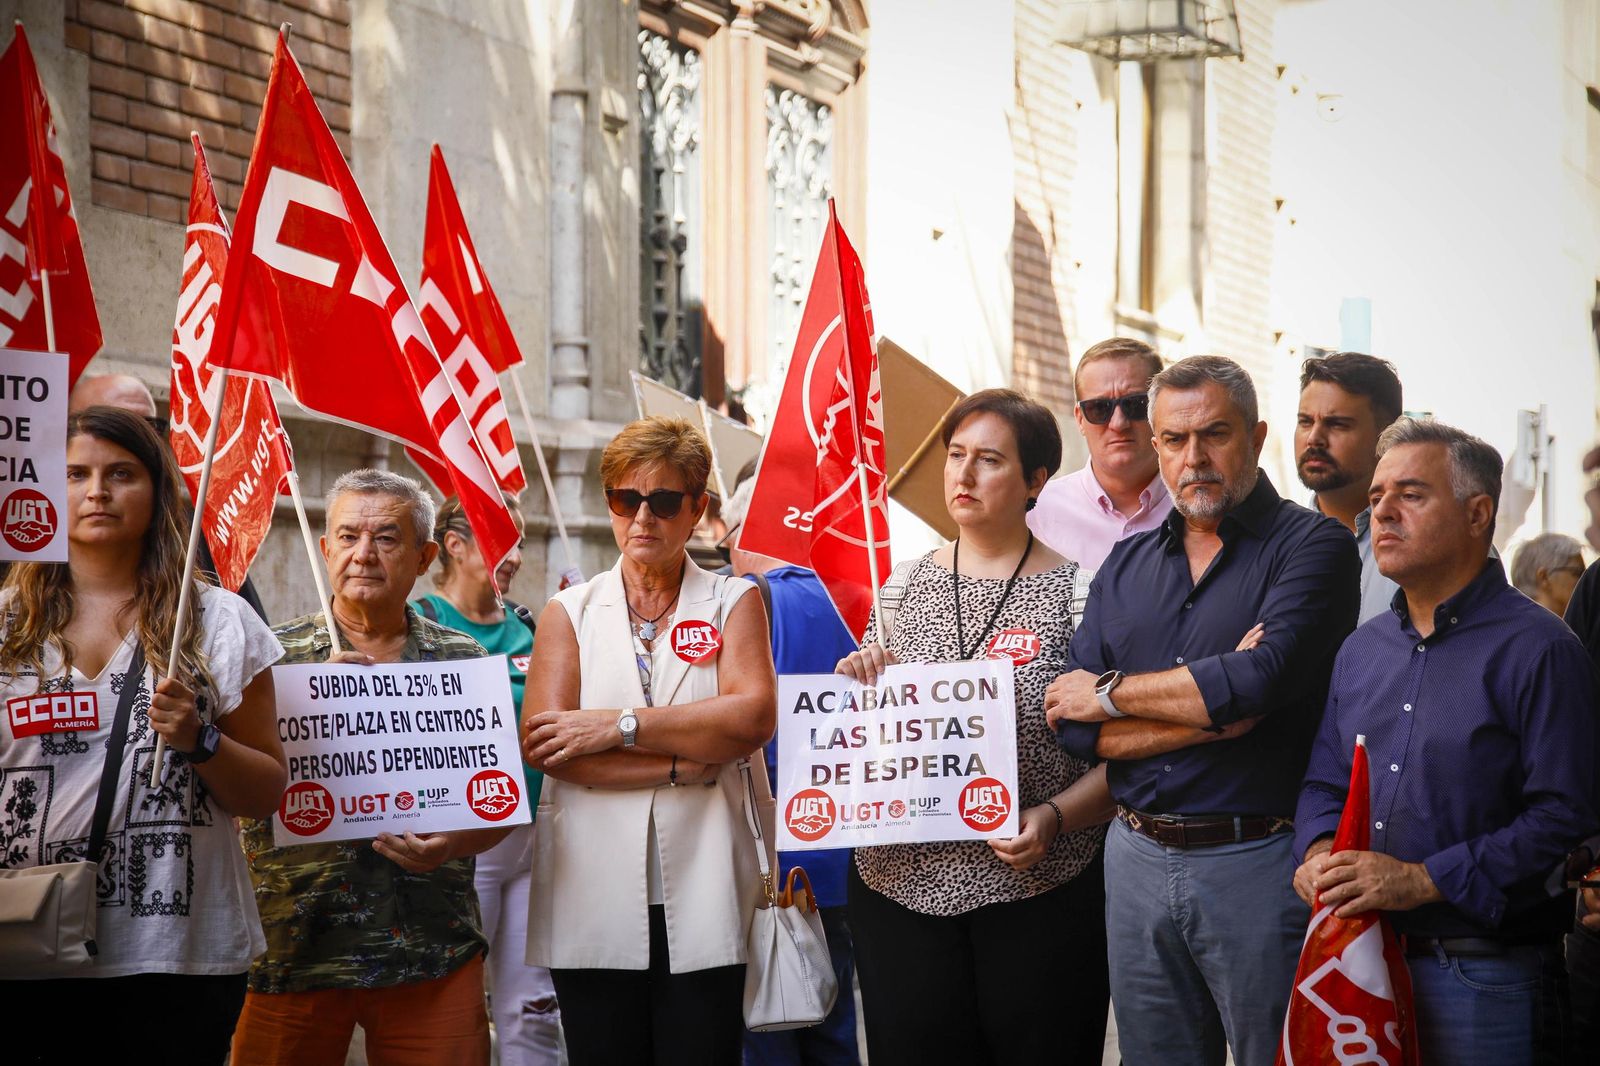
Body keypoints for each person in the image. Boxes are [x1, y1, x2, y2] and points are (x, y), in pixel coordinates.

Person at [1048, 356, 1360, 1066]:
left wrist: (1108, 694)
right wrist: (1205, 707)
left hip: (1255, 860)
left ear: (1255, 435)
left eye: (1214, 435)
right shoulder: (1126, 565)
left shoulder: (1314, 547)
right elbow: (1070, 731)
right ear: (1155, 447)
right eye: (1174, 440)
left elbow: (1259, 681)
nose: (1195, 458)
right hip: (1132, 857)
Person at [1294, 418, 1600, 1064]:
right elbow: (1326, 780)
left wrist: (1423, 880)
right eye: (1376, 498)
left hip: (1484, 976)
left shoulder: (1541, 649)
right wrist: (1319, 850)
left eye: (1411, 494)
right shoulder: (1361, 650)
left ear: (1477, 513)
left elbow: (1566, 813)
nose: (1383, 512)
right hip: (1360, 963)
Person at [834, 388, 1115, 1065]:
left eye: (988, 460)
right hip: (897, 888)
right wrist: (860, 676)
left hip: (1038, 891)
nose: (962, 475)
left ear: (1035, 480)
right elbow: (863, 733)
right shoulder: (900, 588)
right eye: (955, 455)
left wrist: (1052, 817)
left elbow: (1124, 755)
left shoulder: (1084, 593)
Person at [0, 407, 287, 1063]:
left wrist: (200, 740)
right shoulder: (6, 626)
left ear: (157, 492)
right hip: (21, 942)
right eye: (75, 474)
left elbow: (266, 791)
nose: (96, 491)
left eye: (120, 473)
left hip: (176, 955)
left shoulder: (219, 622)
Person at [231, 469, 512, 1066]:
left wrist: (452, 841)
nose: (364, 554)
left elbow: (499, 802)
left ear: (424, 555)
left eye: (386, 538)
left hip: (433, 951)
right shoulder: (268, 659)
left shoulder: (463, 659)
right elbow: (234, 792)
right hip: (293, 948)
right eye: (349, 536)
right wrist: (306, 699)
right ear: (325, 547)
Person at [521, 415, 776, 1066]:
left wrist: (617, 726)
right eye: (624, 498)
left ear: (697, 510)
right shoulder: (569, 612)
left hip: (709, 882)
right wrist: (680, 765)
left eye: (663, 500)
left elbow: (749, 718)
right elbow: (550, 748)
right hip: (591, 887)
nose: (642, 517)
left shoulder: (732, 600)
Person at [411, 496, 559, 1063]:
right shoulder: (424, 621)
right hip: (465, 842)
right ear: (454, 545)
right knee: (460, 995)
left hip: (535, 834)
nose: (516, 556)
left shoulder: (528, 623)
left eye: (520, 541)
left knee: (533, 1005)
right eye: (503, 540)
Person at [722, 473, 862, 1066]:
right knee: (833, 1021)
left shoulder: (745, 601)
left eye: (726, 535)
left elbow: (733, 729)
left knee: (768, 1027)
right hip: (854, 851)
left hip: (773, 855)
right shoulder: (863, 592)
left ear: (745, 533)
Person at [68, 372, 270, 623]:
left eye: (149, 426)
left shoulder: (199, 535)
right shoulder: (17, 602)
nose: (97, 491)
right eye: (112, 426)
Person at [1027, 337, 1171, 570]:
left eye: (1135, 405)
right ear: (1080, 419)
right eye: (1099, 408)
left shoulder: (1199, 510)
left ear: (1161, 410)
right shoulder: (1037, 513)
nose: (1118, 423)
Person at [1294, 351, 1405, 623]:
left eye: (1337, 424)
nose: (1314, 439)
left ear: (1386, 435)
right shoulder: (1277, 539)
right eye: (1305, 422)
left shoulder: (1429, 543)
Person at [1510, 531, 1585, 617]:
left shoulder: (1514, 624)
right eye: (1578, 572)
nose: (1585, 580)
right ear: (1544, 577)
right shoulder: (1546, 628)